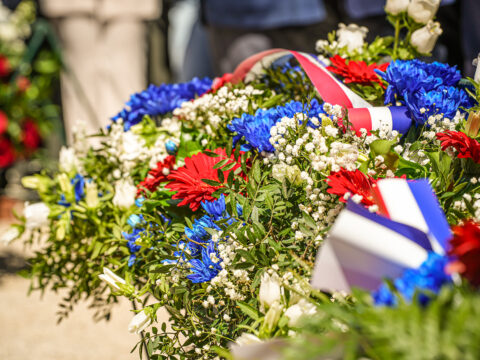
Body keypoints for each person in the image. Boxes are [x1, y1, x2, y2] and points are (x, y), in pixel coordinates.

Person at [39, 0, 161, 143]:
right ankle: (85, 157)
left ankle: (128, 155)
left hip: (129, 7)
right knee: (80, 91)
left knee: (127, 84)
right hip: (73, 7)